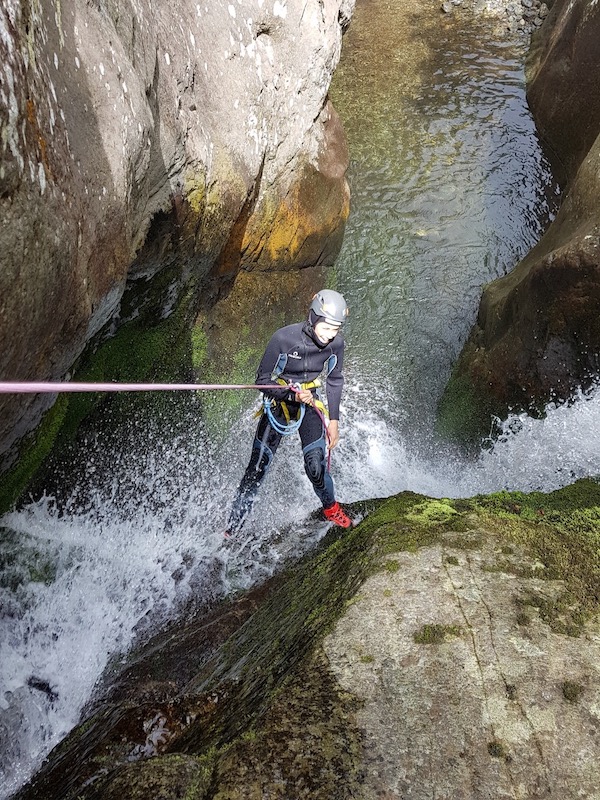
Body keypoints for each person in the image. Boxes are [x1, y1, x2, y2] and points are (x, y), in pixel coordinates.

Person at [226, 289, 352, 535]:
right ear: (313, 318)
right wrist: (291, 394)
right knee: (257, 467)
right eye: (325, 328)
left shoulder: (336, 344)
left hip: (309, 405)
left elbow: (335, 379)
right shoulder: (284, 339)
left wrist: (334, 421)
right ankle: (233, 526)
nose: (328, 337)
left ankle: (331, 508)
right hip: (280, 402)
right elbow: (263, 380)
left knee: (315, 467)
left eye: (335, 330)